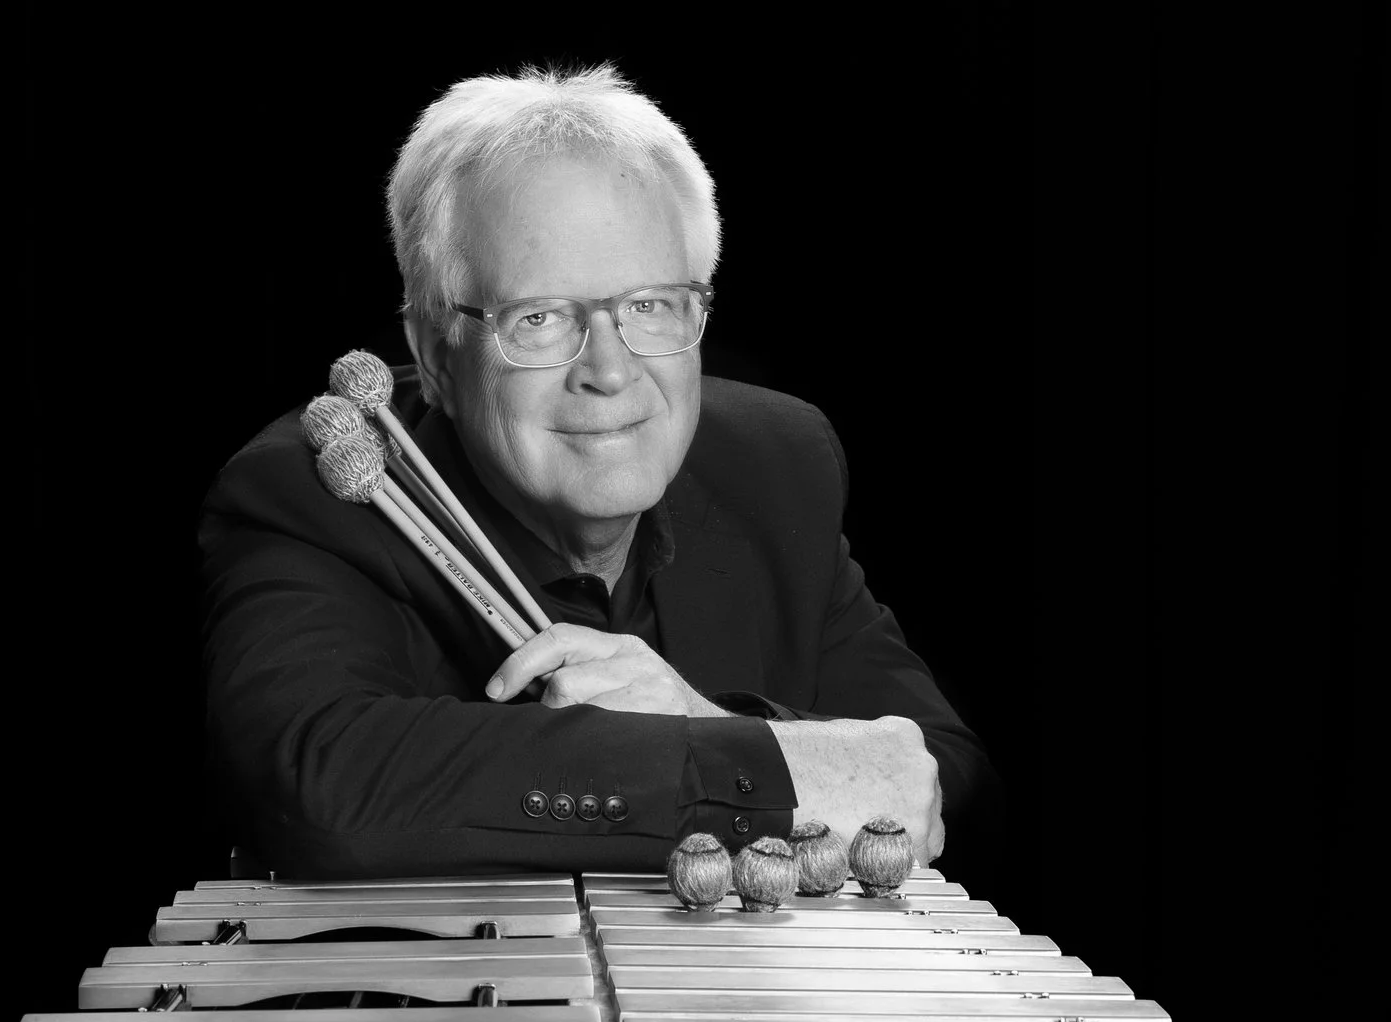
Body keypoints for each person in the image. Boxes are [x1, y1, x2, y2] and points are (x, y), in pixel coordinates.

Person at [200, 63, 991, 879]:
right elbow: (322, 792)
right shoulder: (315, 494)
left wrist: (701, 716)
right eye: (539, 319)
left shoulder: (772, 464)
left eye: (651, 305)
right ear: (437, 357)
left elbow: (928, 765)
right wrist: (719, 757)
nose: (609, 372)